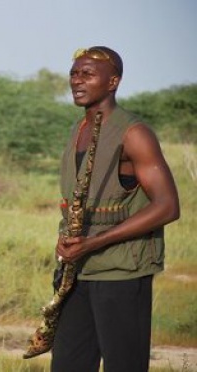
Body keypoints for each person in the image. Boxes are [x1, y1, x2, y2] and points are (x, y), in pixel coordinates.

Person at [51, 46, 180, 372]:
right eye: (74, 73)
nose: (77, 81)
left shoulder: (134, 133)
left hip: (122, 270)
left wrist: (94, 243)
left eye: (87, 74)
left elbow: (167, 206)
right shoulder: (77, 130)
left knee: (124, 365)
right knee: (68, 364)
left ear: (113, 82)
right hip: (77, 271)